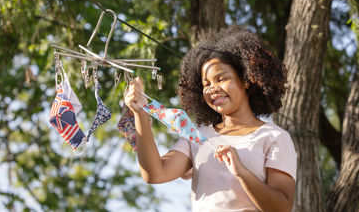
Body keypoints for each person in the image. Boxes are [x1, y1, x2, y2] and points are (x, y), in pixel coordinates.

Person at [124, 26, 297, 212]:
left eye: (221, 78)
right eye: (206, 84)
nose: (212, 88)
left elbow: (281, 207)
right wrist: (141, 116)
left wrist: (242, 172)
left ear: (246, 79)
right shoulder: (199, 135)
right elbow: (155, 174)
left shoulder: (274, 137)